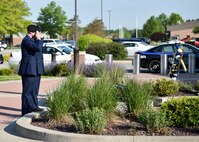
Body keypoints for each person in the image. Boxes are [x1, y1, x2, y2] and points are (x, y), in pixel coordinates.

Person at [18, 24, 44, 116]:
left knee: (34, 91)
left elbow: (39, 49)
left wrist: (39, 39)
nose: (40, 34)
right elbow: (38, 48)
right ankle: (26, 111)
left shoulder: (34, 40)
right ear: (33, 32)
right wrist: (38, 39)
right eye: (38, 32)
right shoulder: (26, 40)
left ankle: (34, 106)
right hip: (29, 70)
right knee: (27, 92)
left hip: (36, 70)